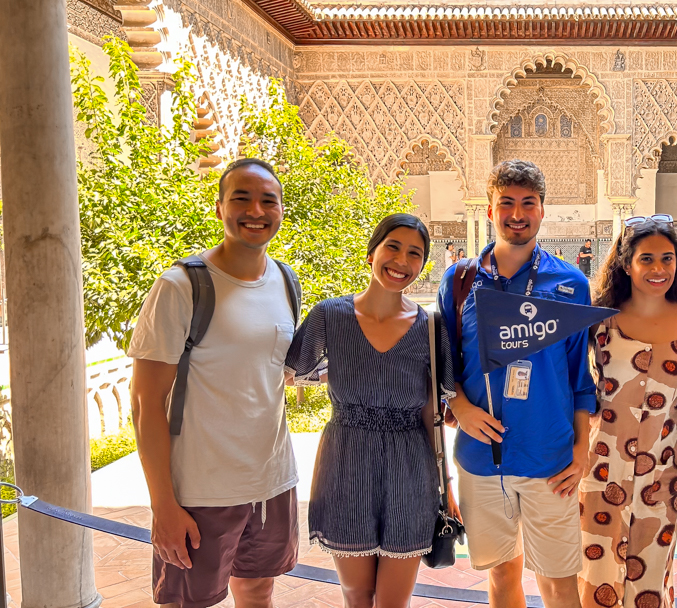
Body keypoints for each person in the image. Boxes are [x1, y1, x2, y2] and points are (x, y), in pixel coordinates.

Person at [128, 158, 299, 608]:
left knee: (258, 590)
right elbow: (146, 403)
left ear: (282, 210)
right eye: (241, 199)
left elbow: (268, 370)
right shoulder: (181, 286)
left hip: (271, 480)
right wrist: (162, 504)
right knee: (188, 602)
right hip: (201, 488)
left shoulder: (284, 280)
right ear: (219, 207)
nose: (256, 211)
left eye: (268, 201)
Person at [438, 159, 594, 608]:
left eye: (528, 203)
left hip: (549, 459)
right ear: (490, 210)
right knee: (503, 577)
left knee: (558, 582)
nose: (517, 213)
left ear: (543, 211)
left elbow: (579, 378)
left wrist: (581, 450)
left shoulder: (570, 282)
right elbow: (445, 363)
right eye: (506, 203)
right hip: (480, 461)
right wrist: (463, 409)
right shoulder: (462, 280)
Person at [283, 213, 458, 607]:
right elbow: (290, 372)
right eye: (392, 247)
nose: (401, 261)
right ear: (371, 253)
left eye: (415, 254)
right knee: (357, 594)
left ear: (422, 265)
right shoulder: (330, 316)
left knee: (393, 601)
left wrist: (445, 485)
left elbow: (432, 409)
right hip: (345, 462)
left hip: (410, 468)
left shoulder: (430, 326)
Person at [580, 215, 677, 608]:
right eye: (647, 259)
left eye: (667, 258)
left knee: (651, 579)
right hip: (600, 469)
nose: (659, 269)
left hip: (662, 477)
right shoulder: (599, 320)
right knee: (596, 577)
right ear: (626, 263)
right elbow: (572, 388)